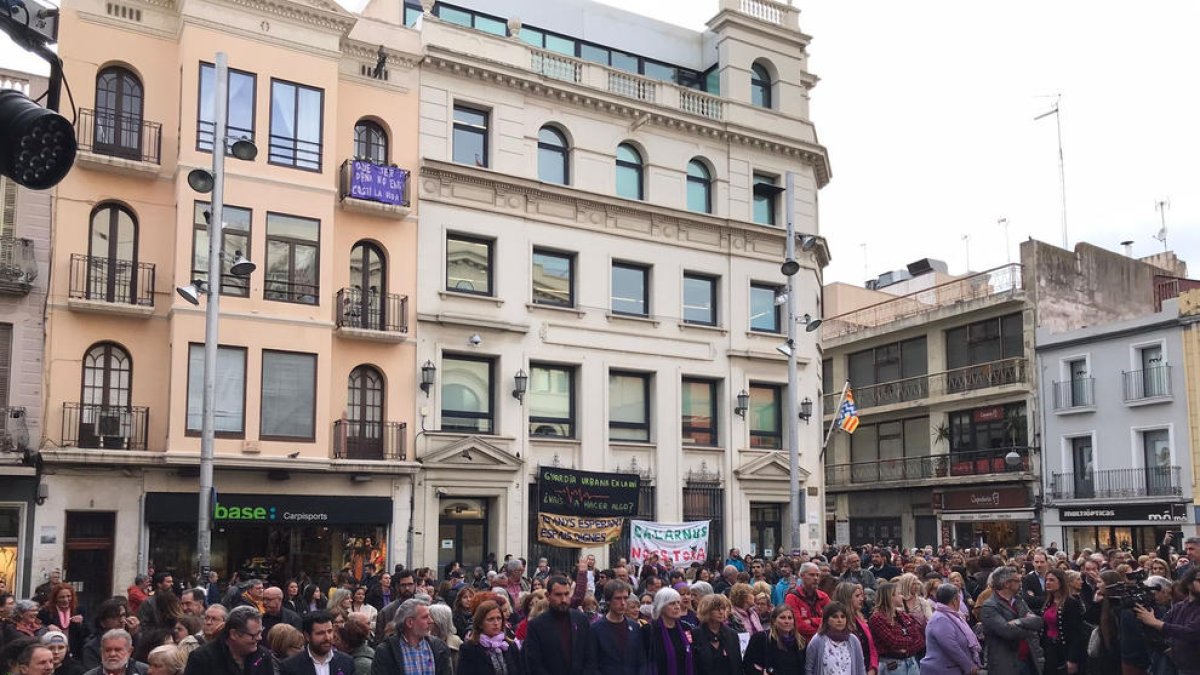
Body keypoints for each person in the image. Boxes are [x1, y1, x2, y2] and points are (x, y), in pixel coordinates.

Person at [522, 575, 595, 675]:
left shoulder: (581, 620)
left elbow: (590, 656)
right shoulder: (536, 626)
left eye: (566, 594)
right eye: (558, 595)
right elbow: (534, 663)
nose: (563, 599)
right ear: (548, 596)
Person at [1134, 565, 1200, 675]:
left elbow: (1191, 632)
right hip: (1181, 666)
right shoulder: (1180, 606)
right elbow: (1160, 629)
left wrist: (1156, 623)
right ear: (1188, 583)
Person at [979, 567, 1043, 675]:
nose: (1021, 583)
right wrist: (1028, 629)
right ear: (1006, 584)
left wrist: (1019, 622)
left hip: (1028, 659)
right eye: (1017, 581)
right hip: (1006, 664)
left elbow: (1038, 622)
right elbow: (1007, 631)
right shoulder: (990, 606)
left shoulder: (1018, 600)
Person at [182, 606, 274, 675]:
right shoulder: (202, 658)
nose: (259, 638)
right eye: (254, 635)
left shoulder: (263, 656)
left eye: (260, 632)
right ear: (234, 634)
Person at [371, 598, 452, 675]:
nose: (431, 621)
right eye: (425, 617)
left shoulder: (439, 647)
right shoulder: (386, 651)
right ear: (410, 622)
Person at [920, 583, 980, 675]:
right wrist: (969, 666)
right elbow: (951, 646)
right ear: (954, 600)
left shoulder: (954, 616)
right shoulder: (941, 619)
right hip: (943, 670)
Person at [868, 581, 924, 675]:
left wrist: (906, 649)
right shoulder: (877, 618)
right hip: (893, 665)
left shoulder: (903, 616)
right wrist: (910, 641)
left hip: (911, 662)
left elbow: (920, 640)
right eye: (899, 594)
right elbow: (893, 642)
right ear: (890, 597)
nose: (902, 596)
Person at [590, 580, 645, 675]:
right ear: (608, 601)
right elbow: (592, 664)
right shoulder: (595, 629)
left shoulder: (635, 627)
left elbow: (641, 660)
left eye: (625, 598)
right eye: (618, 598)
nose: (623, 603)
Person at [457, 600, 522, 675]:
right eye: (490, 619)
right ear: (480, 623)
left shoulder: (510, 646)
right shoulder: (469, 649)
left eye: (499, 618)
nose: (496, 623)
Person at [280, 611, 355, 675]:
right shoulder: (290, 666)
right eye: (320, 633)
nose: (327, 638)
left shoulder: (347, 662)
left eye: (329, 631)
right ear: (307, 636)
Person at [1040, 569, 1084, 675]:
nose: (1047, 583)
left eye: (1052, 580)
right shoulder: (1048, 601)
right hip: (1049, 648)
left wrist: (1072, 659)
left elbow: (1076, 633)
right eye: (1046, 580)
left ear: (1061, 582)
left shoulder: (1071, 603)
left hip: (1064, 649)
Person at [805, 602, 866, 675]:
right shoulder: (817, 640)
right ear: (827, 620)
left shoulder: (853, 640)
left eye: (843, 617)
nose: (840, 620)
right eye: (835, 617)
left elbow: (860, 668)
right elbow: (809, 669)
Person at [644, 588, 694, 675]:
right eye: (672, 603)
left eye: (678, 602)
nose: (677, 607)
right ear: (661, 606)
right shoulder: (649, 630)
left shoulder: (685, 628)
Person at [742, 604, 804, 675]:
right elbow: (747, 664)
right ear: (774, 620)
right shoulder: (761, 638)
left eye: (790, 618)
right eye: (782, 617)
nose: (787, 621)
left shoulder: (800, 642)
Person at [691, 594, 740, 675]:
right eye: (716, 609)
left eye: (723, 608)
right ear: (706, 610)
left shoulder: (732, 635)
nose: (721, 612)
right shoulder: (695, 634)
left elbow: (737, 666)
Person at [833, 583, 876, 675]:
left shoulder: (860, 618)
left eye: (861, 595)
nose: (862, 599)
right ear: (847, 598)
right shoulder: (837, 624)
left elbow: (871, 646)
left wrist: (873, 668)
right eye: (857, 596)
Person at [38, 585, 86, 659]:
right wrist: (47, 627)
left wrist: (82, 623)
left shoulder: (79, 610)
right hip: (53, 652)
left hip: (75, 652)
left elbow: (88, 633)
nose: (66, 600)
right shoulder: (45, 612)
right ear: (55, 598)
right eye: (62, 597)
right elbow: (38, 628)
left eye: (68, 596)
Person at [789, 563, 832, 641]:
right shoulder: (792, 597)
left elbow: (832, 620)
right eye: (812, 575)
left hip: (824, 642)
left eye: (817, 575)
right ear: (801, 576)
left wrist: (811, 621)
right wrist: (822, 628)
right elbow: (799, 626)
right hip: (802, 644)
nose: (816, 578)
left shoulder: (823, 596)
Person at [373, 571, 417, 641]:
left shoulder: (423, 609)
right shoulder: (385, 612)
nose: (407, 588)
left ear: (415, 585)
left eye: (410, 584)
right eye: (403, 585)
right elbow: (379, 641)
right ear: (397, 586)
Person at [81, 630, 147, 675]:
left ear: (129, 651)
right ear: (101, 652)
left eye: (118, 650)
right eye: (107, 650)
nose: (112, 654)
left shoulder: (145, 672)